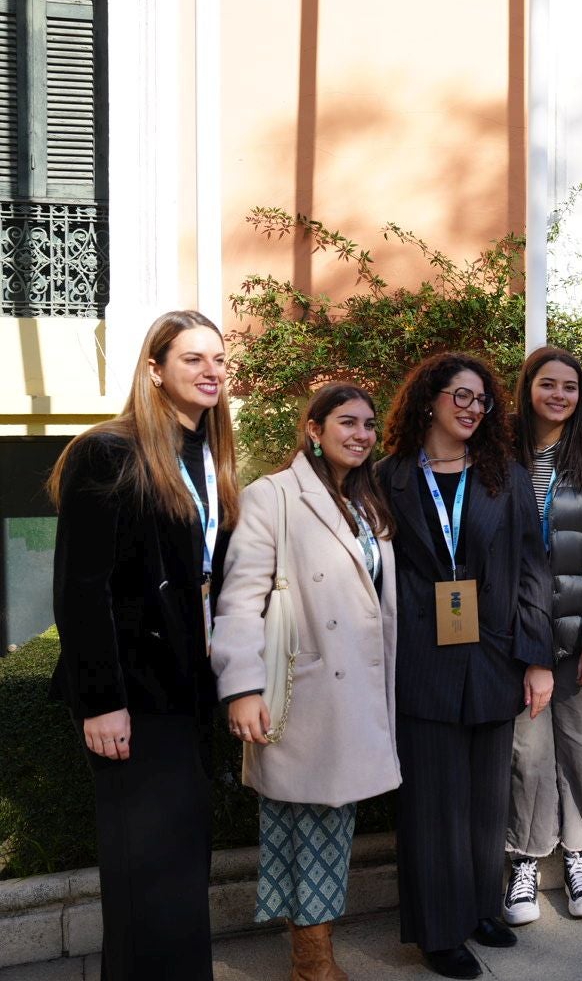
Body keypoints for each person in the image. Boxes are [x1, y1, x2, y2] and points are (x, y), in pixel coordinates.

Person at [47, 309, 241, 980]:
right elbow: (81, 588)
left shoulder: (213, 459)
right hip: (133, 698)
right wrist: (102, 701)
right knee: (143, 878)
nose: (212, 370)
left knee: (182, 872)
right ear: (154, 371)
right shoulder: (109, 451)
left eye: (219, 359)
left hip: (188, 695)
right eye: (193, 359)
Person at [213, 383, 400, 978]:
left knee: (325, 824)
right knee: (302, 824)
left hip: (355, 693)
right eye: (347, 422)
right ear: (313, 430)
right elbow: (239, 601)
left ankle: (310, 955)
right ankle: (313, 961)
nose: (361, 435)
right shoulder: (273, 497)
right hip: (301, 690)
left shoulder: (368, 502)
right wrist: (241, 687)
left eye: (369, 425)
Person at [378, 353, 553, 980]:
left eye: (481, 400)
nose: (473, 409)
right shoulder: (387, 477)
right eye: (462, 397)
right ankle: (437, 929)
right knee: (431, 800)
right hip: (419, 660)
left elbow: (534, 570)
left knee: (484, 799)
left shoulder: (502, 474)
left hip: (494, 657)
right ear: (429, 400)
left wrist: (537, 660)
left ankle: (481, 907)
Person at [503, 347, 582, 925]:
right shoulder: (498, 462)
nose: (558, 396)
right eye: (547, 385)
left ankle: (579, 856)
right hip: (519, 637)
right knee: (527, 753)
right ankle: (524, 859)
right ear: (527, 390)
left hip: (578, 638)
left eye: (569, 387)